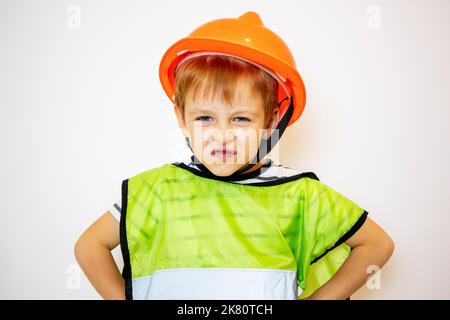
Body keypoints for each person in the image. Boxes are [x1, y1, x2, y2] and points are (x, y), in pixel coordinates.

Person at [74, 11, 394, 300]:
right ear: (181, 117)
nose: (223, 135)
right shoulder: (154, 191)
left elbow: (378, 244)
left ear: (270, 121)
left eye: (241, 119)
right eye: (205, 118)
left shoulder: (299, 195)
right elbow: (89, 247)